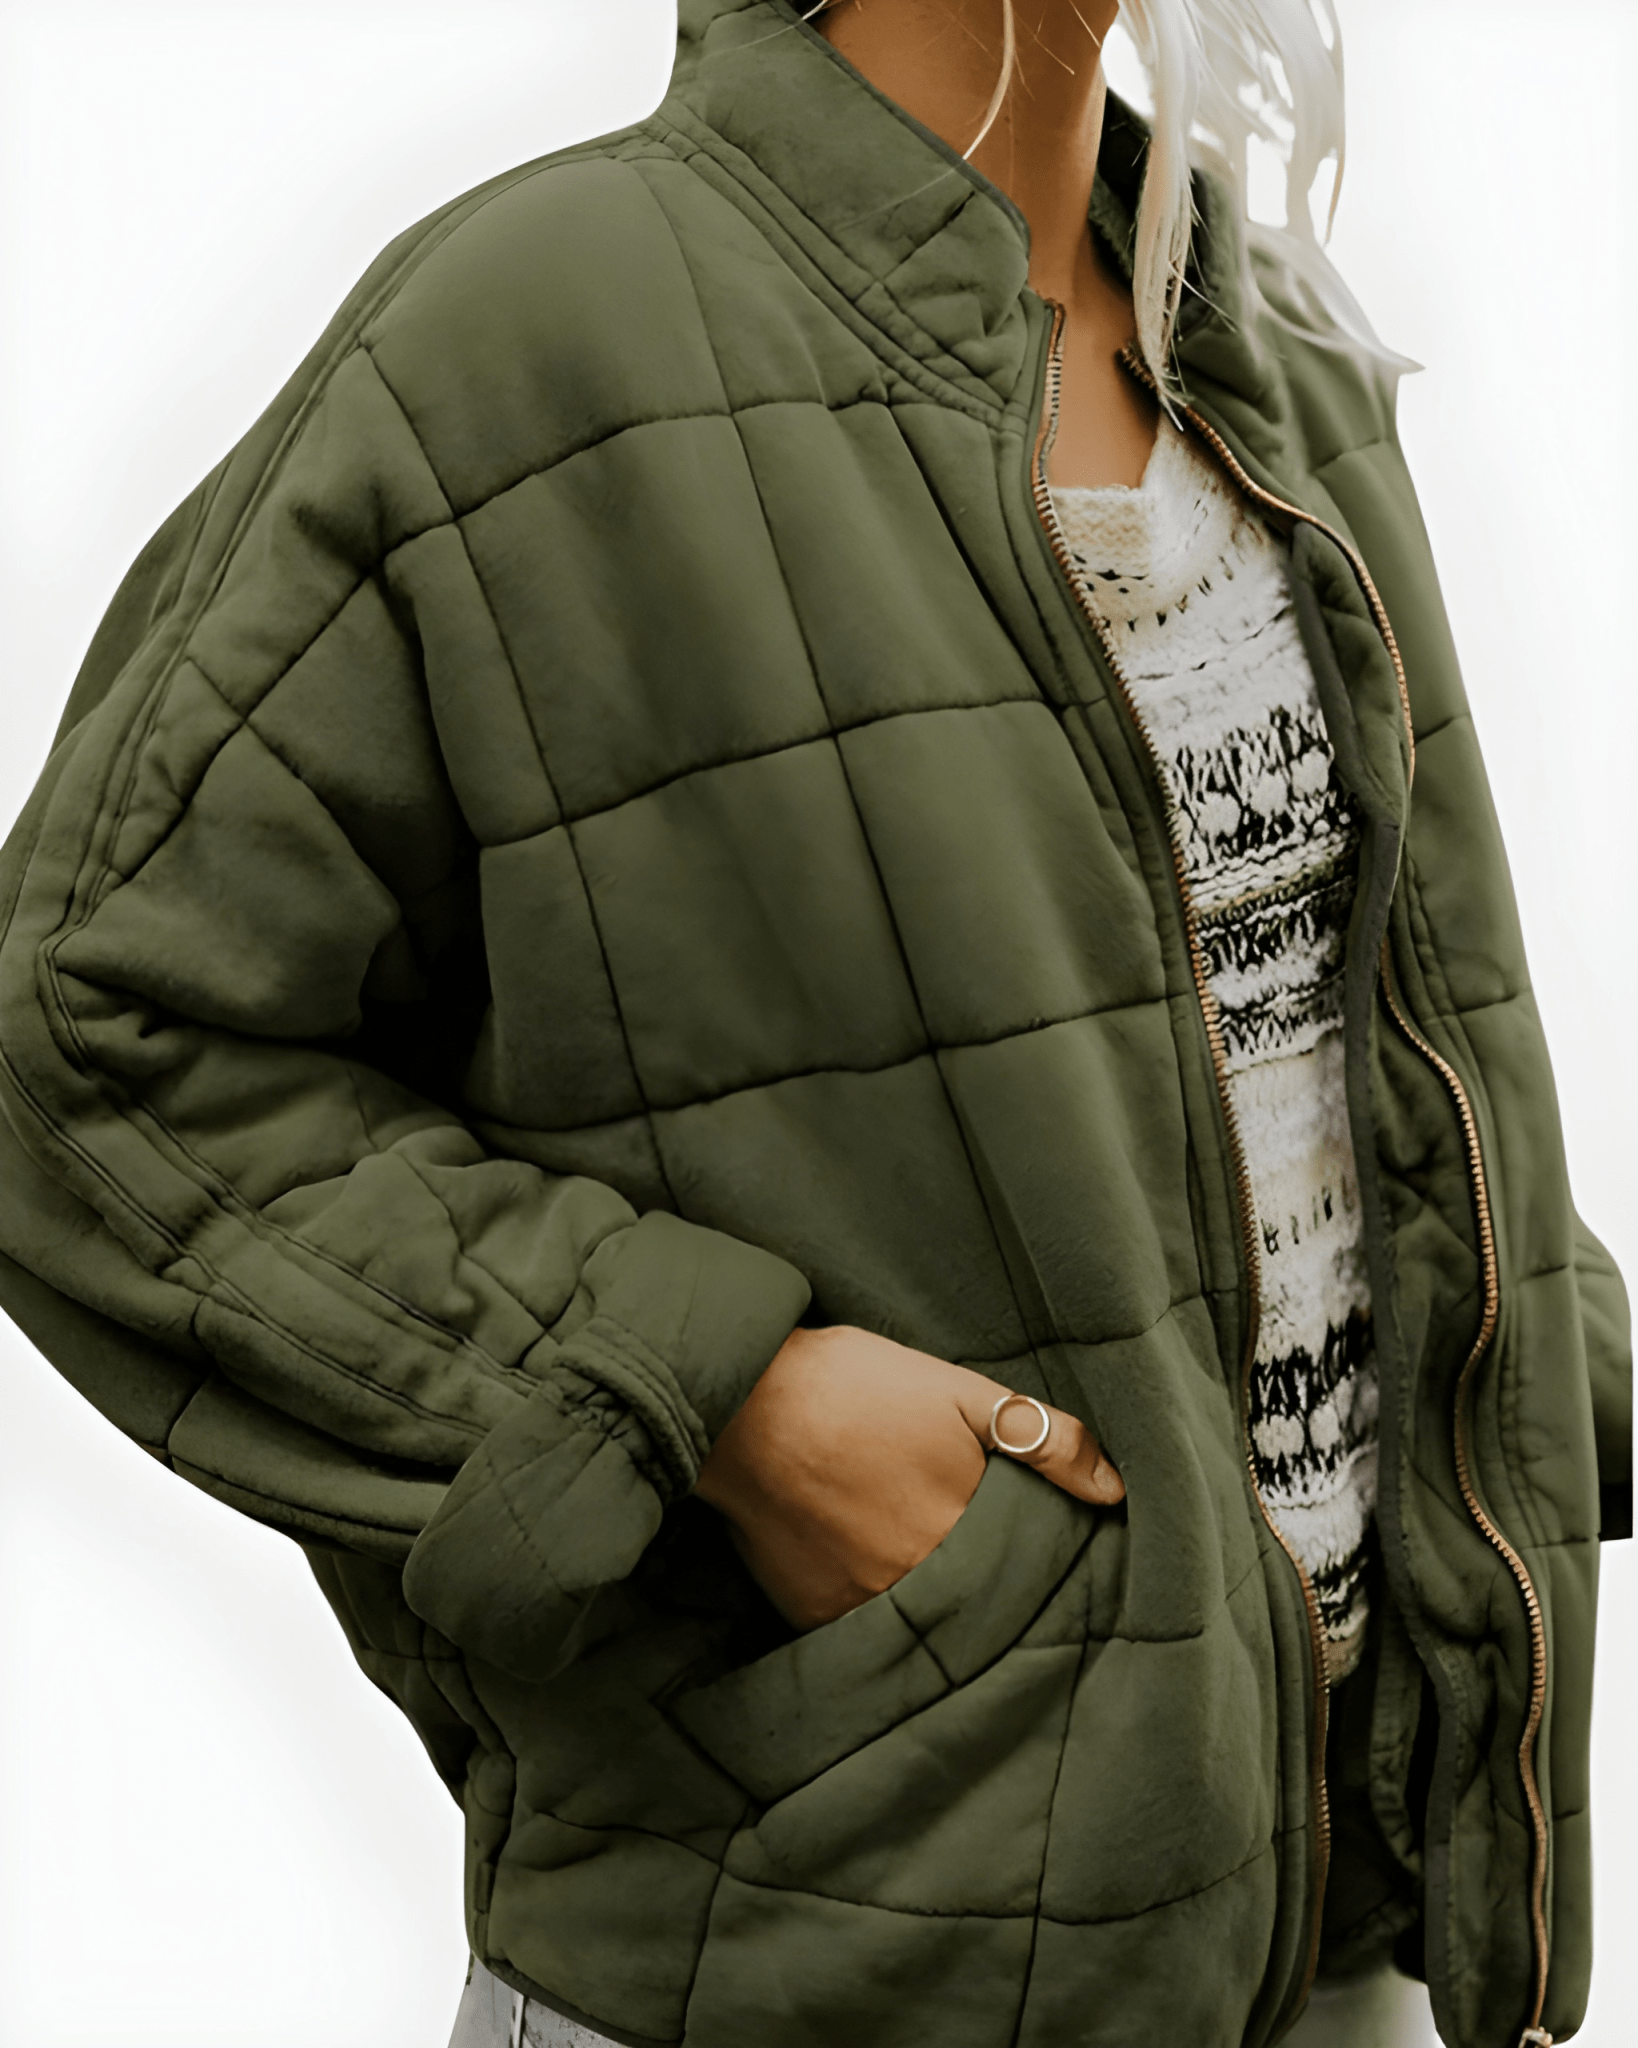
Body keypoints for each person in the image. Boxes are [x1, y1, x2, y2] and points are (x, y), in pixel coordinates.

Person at [0, 1, 1627, 2044]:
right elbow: (83, 1042)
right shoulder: (539, 332)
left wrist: (1537, 1380)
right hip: (843, 1935)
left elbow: (1318, 1059)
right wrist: (722, 1401)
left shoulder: (1262, 345)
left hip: (1341, 1944)